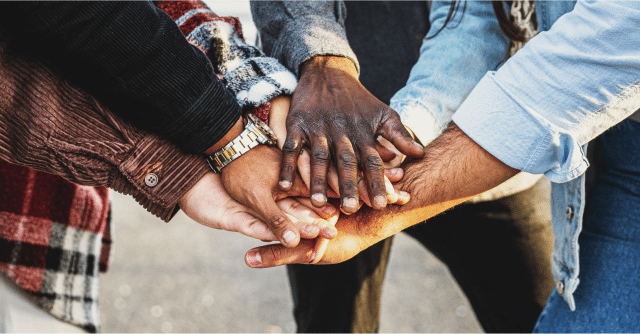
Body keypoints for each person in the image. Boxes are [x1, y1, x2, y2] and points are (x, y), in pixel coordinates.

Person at [249, 0, 640, 332]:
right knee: (333, 319)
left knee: (535, 312)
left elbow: (607, 42)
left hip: (494, 134)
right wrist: (322, 58)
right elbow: (475, 16)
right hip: (330, 135)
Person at [0, 1, 347, 331]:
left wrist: (260, 99)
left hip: (35, 216)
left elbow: (151, 9)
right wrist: (228, 137)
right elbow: (90, 15)